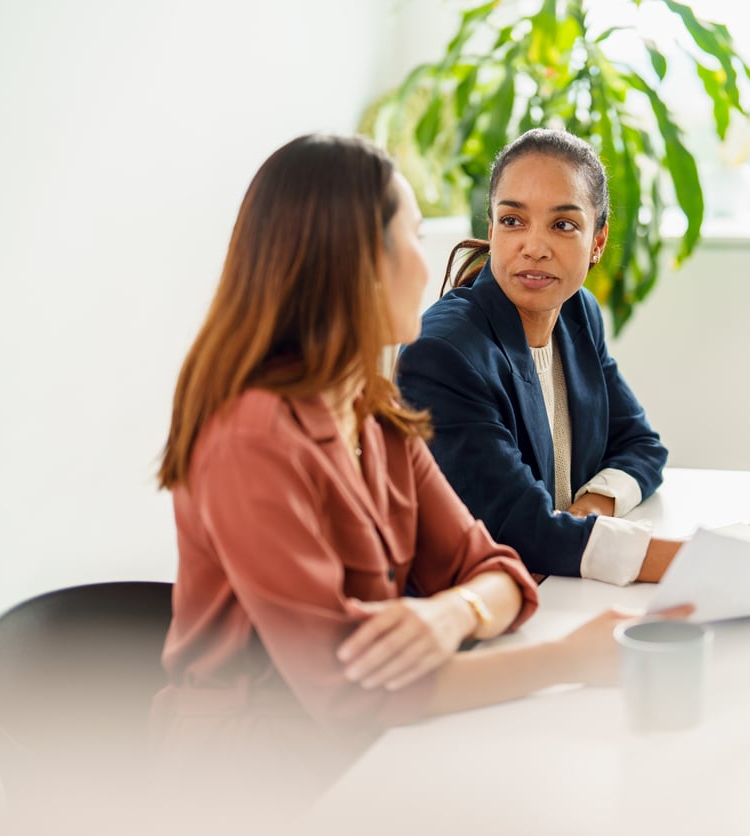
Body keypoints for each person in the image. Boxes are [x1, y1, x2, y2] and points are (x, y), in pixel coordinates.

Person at [153, 133, 682, 811]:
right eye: (413, 233)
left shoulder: (373, 411)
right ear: (353, 264)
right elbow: (349, 692)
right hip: (259, 781)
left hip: (372, 740)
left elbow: (500, 571)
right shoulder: (251, 439)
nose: (433, 259)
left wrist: (448, 613)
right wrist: (569, 657)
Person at [394, 128, 679, 585]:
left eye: (563, 225)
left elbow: (641, 446)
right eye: (512, 221)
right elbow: (522, 532)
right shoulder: (443, 355)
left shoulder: (577, 313)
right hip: (471, 618)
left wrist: (593, 507)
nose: (534, 246)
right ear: (490, 228)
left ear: (598, 242)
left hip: (560, 592)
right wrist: (700, 560)